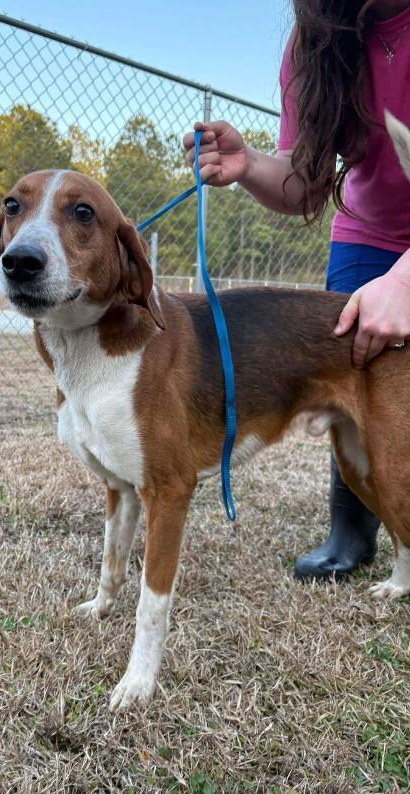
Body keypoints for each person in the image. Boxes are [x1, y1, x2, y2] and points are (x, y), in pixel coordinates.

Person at [183, 0, 410, 580]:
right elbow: (304, 185)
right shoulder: (318, 39)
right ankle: (354, 531)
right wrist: (250, 162)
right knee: (358, 385)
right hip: (370, 232)